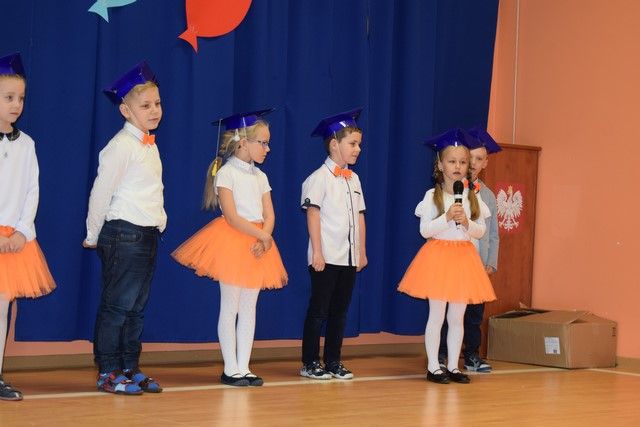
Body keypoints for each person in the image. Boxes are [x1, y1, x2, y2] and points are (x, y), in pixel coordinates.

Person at [172, 109, 287, 387]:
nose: (268, 149)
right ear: (243, 143)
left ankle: (244, 366)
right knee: (231, 305)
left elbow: (269, 213)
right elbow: (233, 217)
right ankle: (230, 367)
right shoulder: (226, 173)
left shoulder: (260, 177)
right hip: (234, 241)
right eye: (263, 143)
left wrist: (264, 237)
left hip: (258, 242)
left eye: (268, 143)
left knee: (249, 307)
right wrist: (262, 236)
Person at [84, 61, 166, 395]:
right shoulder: (121, 146)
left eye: (157, 103)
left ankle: (130, 366)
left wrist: (160, 219)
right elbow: (101, 191)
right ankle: (108, 370)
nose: (154, 110)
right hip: (123, 234)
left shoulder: (149, 144)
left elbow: (151, 188)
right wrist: (93, 233)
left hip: (146, 233)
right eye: (145, 105)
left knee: (136, 309)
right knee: (117, 306)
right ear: (125, 110)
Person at [398, 128, 496, 385]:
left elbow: (481, 230)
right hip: (439, 259)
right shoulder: (433, 196)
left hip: (464, 259)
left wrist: (466, 223)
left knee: (457, 317)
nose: (458, 167)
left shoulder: (472, 197)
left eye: (463, 162)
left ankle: (453, 365)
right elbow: (425, 230)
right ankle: (434, 366)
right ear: (440, 165)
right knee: (437, 315)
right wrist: (447, 217)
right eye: (452, 162)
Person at [0, 53, 56, 401]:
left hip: (13, 239)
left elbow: (32, 189)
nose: (16, 104)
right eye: (8, 97)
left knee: (2, 309)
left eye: (20, 98)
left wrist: (22, 230)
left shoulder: (27, 144)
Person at [300, 108, 367, 380]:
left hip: (348, 257)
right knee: (319, 311)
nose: (358, 149)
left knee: (340, 312)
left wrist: (361, 251)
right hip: (326, 257)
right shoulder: (318, 178)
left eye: (359, 144)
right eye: (353, 144)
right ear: (334, 144)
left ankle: (333, 361)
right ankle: (309, 362)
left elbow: (359, 216)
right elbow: (313, 215)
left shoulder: (355, 179)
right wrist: (317, 252)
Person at [438, 126, 502, 373]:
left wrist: (491, 262)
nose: (473, 164)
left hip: (477, 264)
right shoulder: (449, 190)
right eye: (469, 158)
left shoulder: (489, 197)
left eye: (478, 159)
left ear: (485, 163)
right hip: (454, 262)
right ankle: (442, 355)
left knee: (474, 313)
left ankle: (472, 355)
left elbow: (492, 233)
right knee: (449, 312)